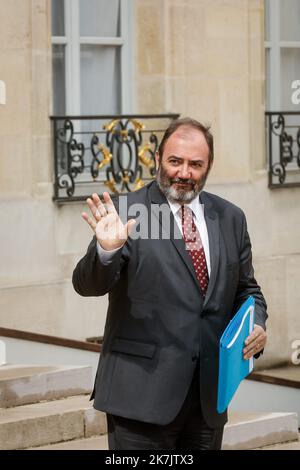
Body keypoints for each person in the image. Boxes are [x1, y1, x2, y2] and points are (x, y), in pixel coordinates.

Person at [72, 117, 268, 450]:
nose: (183, 173)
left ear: (208, 167)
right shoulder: (128, 212)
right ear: (158, 157)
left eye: (195, 164)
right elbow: (87, 284)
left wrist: (258, 324)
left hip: (208, 400)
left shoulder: (230, 217)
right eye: (175, 161)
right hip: (139, 399)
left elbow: (247, 290)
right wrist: (107, 251)